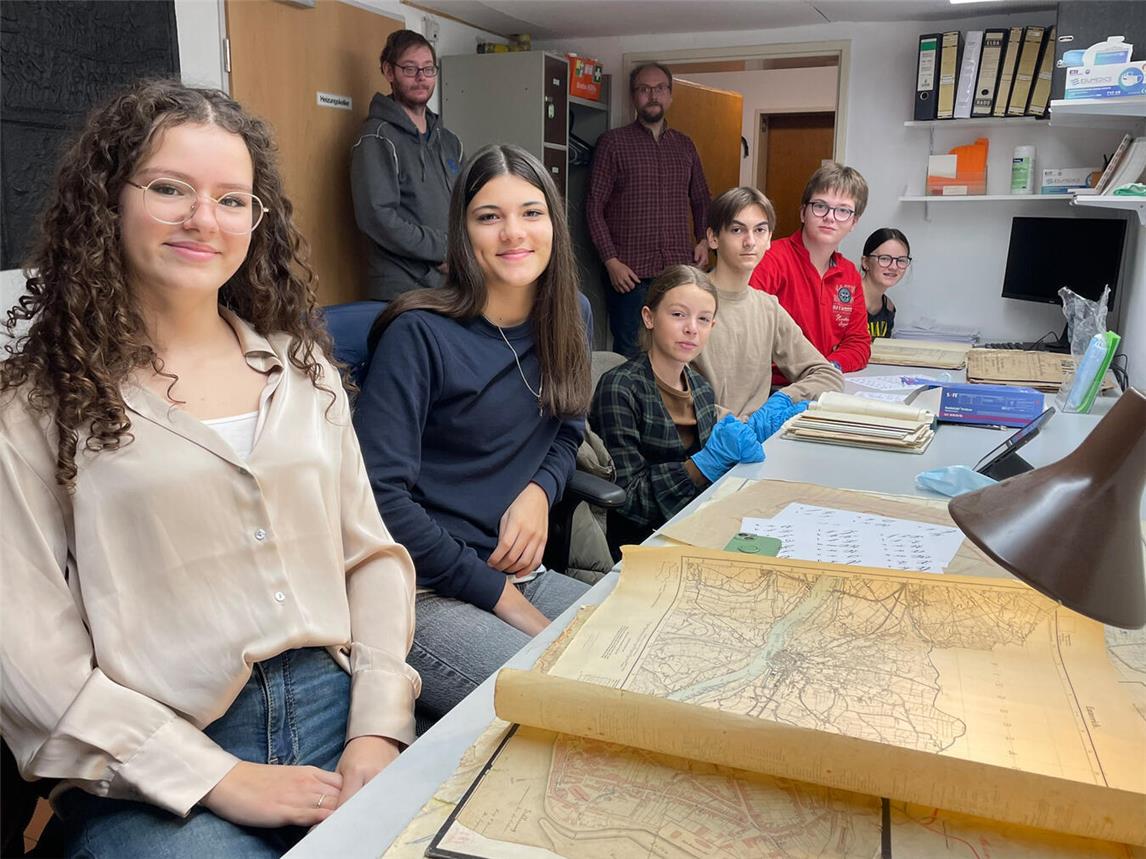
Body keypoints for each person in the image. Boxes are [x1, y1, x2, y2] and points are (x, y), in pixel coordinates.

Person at [0, 80, 419, 857]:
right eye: (170, 189)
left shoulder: (304, 373)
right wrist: (217, 776)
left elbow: (371, 557)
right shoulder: (32, 405)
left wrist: (380, 723)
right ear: (108, 202)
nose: (205, 219)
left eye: (233, 199)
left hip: (341, 702)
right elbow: (28, 661)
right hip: (156, 752)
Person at [356, 144, 592, 723]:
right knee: (561, 705)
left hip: (515, 573)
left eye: (531, 212)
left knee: (637, 655)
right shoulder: (418, 334)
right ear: (463, 231)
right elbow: (377, 500)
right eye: (489, 216)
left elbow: (568, 431)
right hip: (423, 591)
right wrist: (503, 601)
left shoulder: (570, 316)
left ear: (554, 224)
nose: (514, 233)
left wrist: (539, 492)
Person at [591, 266, 763, 550]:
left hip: (696, 525)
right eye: (678, 314)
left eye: (703, 319)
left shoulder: (701, 387)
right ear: (649, 317)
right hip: (642, 539)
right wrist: (700, 467)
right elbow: (627, 500)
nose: (691, 328)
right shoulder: (621, 387)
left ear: (712, 327)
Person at [586, 61, 711, 359]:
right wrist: (611, 261)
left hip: (678, 273)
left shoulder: (685, 146)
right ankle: (630, 407)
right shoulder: (613, 144)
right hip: (630, 276)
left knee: (679, 350)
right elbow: (593, 206)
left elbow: (702, 199)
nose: (652, 95)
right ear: (634, 97)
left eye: (659, 89)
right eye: (644, 89)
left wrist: (704, 239)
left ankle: (669, 406)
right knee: (632, 351)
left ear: (670, 95)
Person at [693, 187, 843, 431]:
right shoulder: (686, 300)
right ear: (712, 238)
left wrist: (782, 400)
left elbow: (827, 375)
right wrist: (732, 423)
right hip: (703, 440)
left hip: (757, 437)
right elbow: (668, 391)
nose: (750, 241)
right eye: (737, 229)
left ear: (769, 239)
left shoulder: (767, 307)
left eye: (759, 230)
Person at [351, 29, 463, 299]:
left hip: (450, 285)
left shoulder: (449, 141)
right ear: (389, 72)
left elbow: (467, 203)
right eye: (410, 69)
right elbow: (378, 219)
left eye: (427, 69)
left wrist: (463, 252)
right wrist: (443, 249)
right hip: (402, 292)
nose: (421, 77)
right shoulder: (377, 138)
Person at [749, 161, 871, 380]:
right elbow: (746, 329)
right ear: (803, 212)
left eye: (843, 210)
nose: (830, 217)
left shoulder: (849, 274)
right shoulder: (771, 259)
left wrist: (829, 367)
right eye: (820, 206)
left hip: (824, 381)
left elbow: (859, 343)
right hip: (774, 387)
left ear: (854, 222)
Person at [861, 228, 911, 339]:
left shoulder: (888, 307)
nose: (893, 267)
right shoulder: (845, 301)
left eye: (901, 260)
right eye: (884, 258)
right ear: (865, 262)